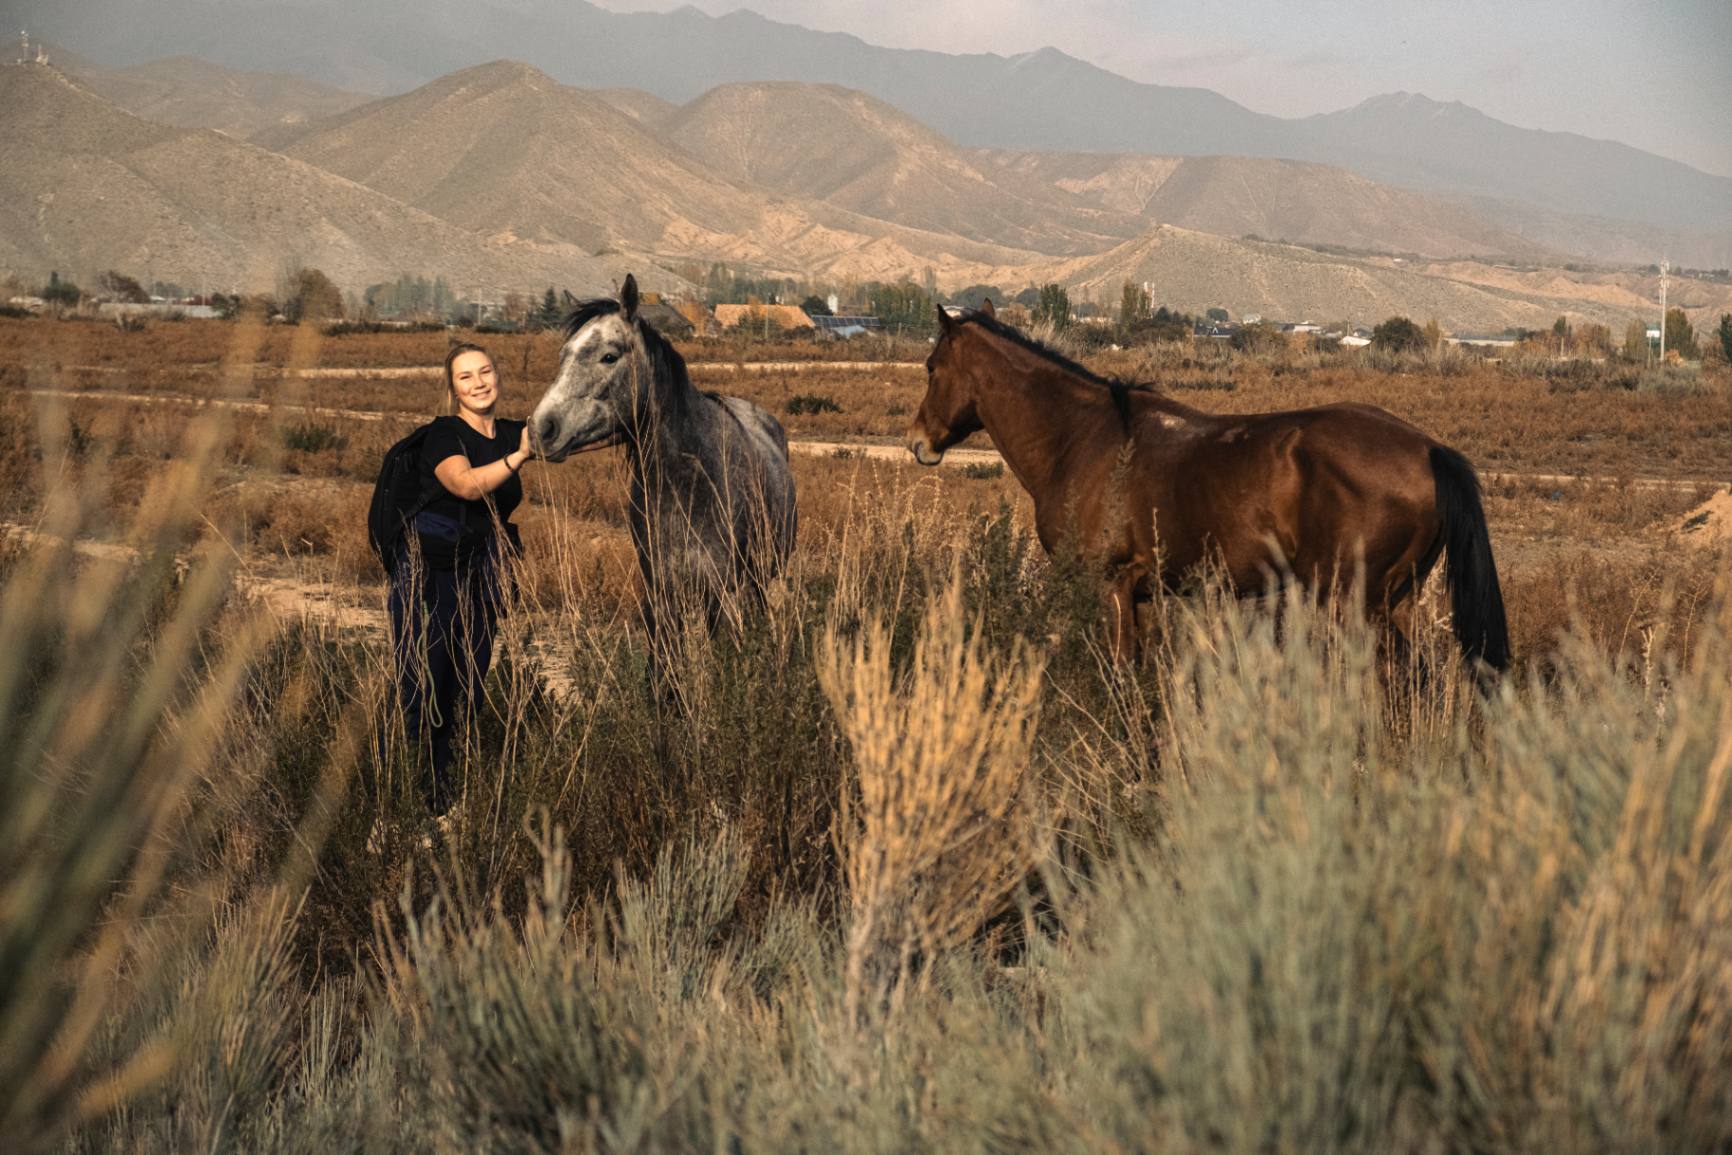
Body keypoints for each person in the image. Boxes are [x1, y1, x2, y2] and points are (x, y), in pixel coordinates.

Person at [388, 342, 533, 815]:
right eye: (466, 376)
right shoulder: (444, 434)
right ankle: (414, 796)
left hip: (484, 571)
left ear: (498, 375)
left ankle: (448, 793)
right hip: (431, 574)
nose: (479, 383)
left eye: (485, 371)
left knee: (469, 682)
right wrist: (520, 457)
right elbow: (465, 484)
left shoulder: (511, 432)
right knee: (426, 680)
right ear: (452, 388)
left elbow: (572, 432)